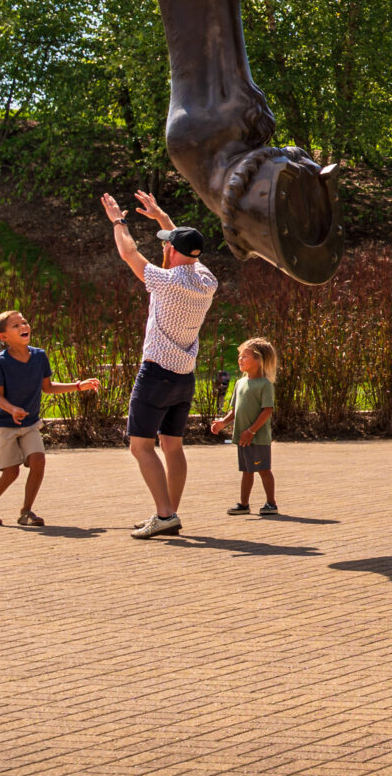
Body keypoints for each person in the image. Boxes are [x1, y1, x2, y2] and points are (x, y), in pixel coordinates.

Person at [99, 190, 217, 541]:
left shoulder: (166, 283)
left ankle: (164, 514)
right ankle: (168, 512)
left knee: (140, 446)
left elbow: (129, 253)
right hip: (184, 378)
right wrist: (161, 217)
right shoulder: (206, 280)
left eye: (167, 243)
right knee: (172, 446)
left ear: (172, 251)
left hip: (156, 375)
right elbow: (184, 248)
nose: (164, 246)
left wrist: (118, 221)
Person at [0, 309, 100, 527]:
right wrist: (12, 409)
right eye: (15, 326)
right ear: (3, 337)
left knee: (38, 461)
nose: (23, 327)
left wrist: (78, 386)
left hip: (30, 423)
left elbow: (48, 387)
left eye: (24, 322)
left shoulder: (39, 356)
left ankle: (26, 512)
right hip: (3, 424)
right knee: (11, 473)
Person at [213, 337, 279, 517]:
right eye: (240, 356)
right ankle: (244, 504)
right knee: (246, 470)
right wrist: (223, 422)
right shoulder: (240, 383)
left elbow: (267, 411)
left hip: (257, 437)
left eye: (245, 356)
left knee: (263, 469)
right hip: (242, 437)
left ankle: (271, 504)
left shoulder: (265, 385)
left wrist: (252, 430)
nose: (240, 360)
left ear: (259, 360)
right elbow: (235, 410)